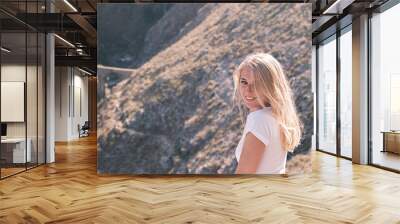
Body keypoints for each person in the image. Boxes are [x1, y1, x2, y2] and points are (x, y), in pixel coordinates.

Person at [233, 53, 302, 174]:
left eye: (257, 83)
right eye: (244, 82)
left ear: (271, 86)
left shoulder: (259, 120)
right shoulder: (276, 116)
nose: (248, 90)